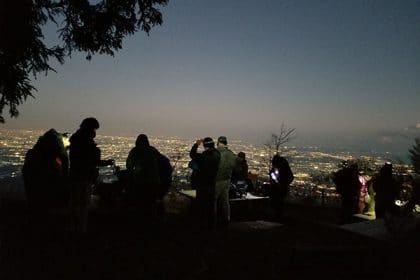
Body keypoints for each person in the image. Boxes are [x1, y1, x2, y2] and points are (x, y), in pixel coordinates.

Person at [69, 117, 112, 234]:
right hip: (84, 176)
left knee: (75, 204)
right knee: (83, 205)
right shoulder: (86, 143)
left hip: (74, 175)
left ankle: (73, 228)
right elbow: (92, 161)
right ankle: (81, 230)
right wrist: (105, 162)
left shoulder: (75, 140)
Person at [22, 129, 69, 230]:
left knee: (35, 206)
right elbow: (63, 168)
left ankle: (34, 228)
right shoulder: (52, 159)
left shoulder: (34, 153)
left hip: (33, 186)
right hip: (46, 188)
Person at [126, 134, 162, 220]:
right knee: (151, 202)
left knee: (140, 201)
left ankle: (140, 221)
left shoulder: (136, 150)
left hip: (141, 180)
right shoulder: (153, 150)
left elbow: (129, 165)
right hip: (154, 180)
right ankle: (152, 221)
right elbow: (161, 161)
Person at [189, 137, 220, 230]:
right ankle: (211, 226)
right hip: (212, 184)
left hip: (201, 185)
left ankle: (200, 226)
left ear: (205, 145)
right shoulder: (217, 156)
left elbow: (192, 154)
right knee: (210, 207)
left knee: (200, 206)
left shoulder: (203, 157)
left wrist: (196, 144)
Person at [214, 136, 237, 227]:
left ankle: (213, 218)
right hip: (227, 180)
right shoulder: (231, 154)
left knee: (214, 200)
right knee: (225, 200)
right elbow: (234, 166)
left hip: (216, 180)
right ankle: (227, 218)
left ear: (219, 143)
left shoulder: (216, 153)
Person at [269, 154, 294, 222]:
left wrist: (282, 183)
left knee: (278, 201)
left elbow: (273, 175)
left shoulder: (281, 167)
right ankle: (278, 216)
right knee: (279, 201)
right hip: (280, 187)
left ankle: (277, 216)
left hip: (280, 187)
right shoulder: (283, 166)